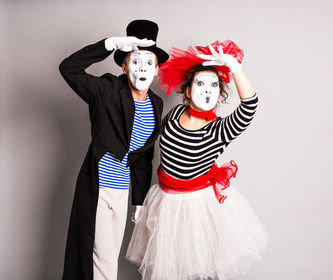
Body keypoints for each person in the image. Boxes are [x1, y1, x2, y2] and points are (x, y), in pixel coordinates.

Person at [125, 40, 268, 280]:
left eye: (214, 85)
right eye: (200, 83)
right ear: (188, 91)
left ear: (219, 94)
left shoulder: (219, 130)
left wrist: (234, 67)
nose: (207, 89)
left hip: (197, 207)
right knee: (169, 266)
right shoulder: (175, 114)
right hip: (164, 201)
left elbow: (249, 106)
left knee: (196, 266)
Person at [59, 20, 168, 280]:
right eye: (135, 61)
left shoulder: (156, 103)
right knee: (104, 261)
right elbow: (68, 69)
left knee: (107, 259)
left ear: (156, 69)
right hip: (98, 188)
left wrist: (139, 200)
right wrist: (109, 44)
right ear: (123, 65)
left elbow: (143, 157)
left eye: (148, 63)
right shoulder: (106, 90)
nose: (142, 68)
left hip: (122, 191)